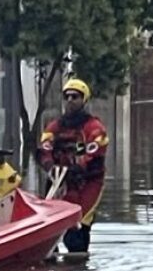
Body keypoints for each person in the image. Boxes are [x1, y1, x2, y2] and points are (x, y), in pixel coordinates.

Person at [37, 77, 108, 253]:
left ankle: (80, 270)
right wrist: (50, 166)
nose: (70, 100)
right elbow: (45, 148)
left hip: (87, 183)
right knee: (47, 231)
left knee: (76, 235)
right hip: (58, 181)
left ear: (83, 100)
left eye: (75, 96)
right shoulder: (54, 127)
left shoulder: (94, 128)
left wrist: (78, 168)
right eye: (67, 96)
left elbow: (96, 151)